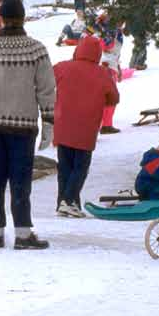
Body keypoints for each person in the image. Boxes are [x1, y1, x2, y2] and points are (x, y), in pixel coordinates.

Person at [0, 0, 56, 249]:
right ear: (23, 17)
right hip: (24, 125)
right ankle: (22, 233)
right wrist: (49, 121)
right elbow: (46, 89)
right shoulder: (36, 49)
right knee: (20, 181)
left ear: (2, 18)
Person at [52, 35, 119, 217]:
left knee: (64, 167)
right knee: (80, 167)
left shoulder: (62, 67)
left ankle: (64, 203)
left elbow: (46, 81)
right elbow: (114, 98)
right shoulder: (102, 73)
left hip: (63, 125)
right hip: (86, 128)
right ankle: (68, 200)